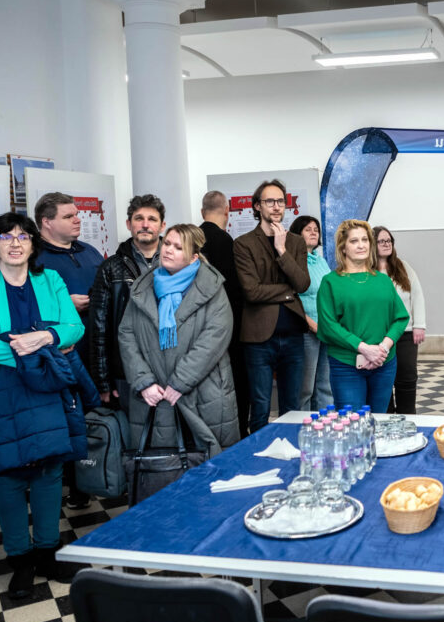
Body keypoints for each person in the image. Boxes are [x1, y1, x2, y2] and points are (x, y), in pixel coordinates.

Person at [0, 214, 87, 598]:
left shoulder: (51, 280)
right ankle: (20, 559)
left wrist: (44, 336)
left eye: (23, 236)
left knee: (49, 471)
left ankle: (46, 551)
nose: (15, 243)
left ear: (33, 244)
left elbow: (74, 328)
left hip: (46, 389)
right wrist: (45, 348)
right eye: (6, 236)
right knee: (7, 475)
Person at [118, 224, 239, 457]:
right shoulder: (144, 286)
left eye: (178, 247)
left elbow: (213, 339)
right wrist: (143, 381)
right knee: (161, 467)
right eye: (167, 243)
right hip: (155, 394)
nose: (168, 250)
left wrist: (180, 382)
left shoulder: (212, 287)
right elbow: (127, 335)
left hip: (203, 393)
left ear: (194, 257)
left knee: (208, 463)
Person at [34, 192, 103, 510]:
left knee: (94, 417)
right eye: (68, 216)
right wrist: (64, 305)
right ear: (46, 222)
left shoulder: (89, 251)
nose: (78, 219)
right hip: (59, 358)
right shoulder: (34, 260)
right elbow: (24, 310)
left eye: (77, 214)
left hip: (97, 351)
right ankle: (72, 487)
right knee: (65, 420)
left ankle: (97, 478)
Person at [233, 180, 310, 432]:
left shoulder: (295, 242)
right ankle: (257, 454)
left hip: (293, 336)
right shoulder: (243, 243)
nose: (276, 206)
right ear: (257, 206)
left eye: (280, 201)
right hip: (258, 339)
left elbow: (302, 284)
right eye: (269, 201)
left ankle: (291, 452)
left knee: (292, 408)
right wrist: (287, 292)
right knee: (260, 407)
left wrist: (281, 250)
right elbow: (252, 291)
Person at [316, 219, 409, 411]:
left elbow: (400, 317)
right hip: (346, 365)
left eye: (365, 240)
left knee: (378, 419)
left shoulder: (383, 281)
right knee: (352, 422)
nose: (361, 245)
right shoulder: (330, 282)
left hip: (384, 363)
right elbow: (328, 325)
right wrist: (364, 348)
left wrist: (383, 348)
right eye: (354, 241)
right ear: (343, 248)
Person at [88, 195, 166, 414]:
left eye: (152, 219)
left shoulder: (177, 264)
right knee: (135, 430)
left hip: (170, 367)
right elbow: (99, 328)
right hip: (126, 369)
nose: (145, 224)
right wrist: (103, 380)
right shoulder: (110, 268)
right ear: (129, 224)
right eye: (139, 218)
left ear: (162, 226)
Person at [200, 190, 249, 437]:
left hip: (200, 326)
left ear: (202, 212)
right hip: (231, 324)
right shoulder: (228, 242)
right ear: (227, 211)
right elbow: (236, 288)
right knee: (236, 380)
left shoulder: (194, 239)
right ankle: (238, 432)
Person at [374, 226, 426, 415]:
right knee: (382, 379)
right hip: (378, 335)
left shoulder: (403, 266)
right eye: (381, 241)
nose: (386, 244)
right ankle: (386, 418)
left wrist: (419, 325)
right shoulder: (367, 271)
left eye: (389, 240)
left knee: (407, 377)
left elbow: (417, 295)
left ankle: (408, 417)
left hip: (405, 333)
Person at [289, 214, 333, 411]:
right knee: (305, 388)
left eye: (316, 229)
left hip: (326, 329)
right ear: (297, 235)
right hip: (306, 331)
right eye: (308, 229)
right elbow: (292, 299)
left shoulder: (321, 261)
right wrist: (311, 324)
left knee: (325, 385)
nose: (314, 232)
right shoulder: (294, 262)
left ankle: (326, 422)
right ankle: (302, 423)